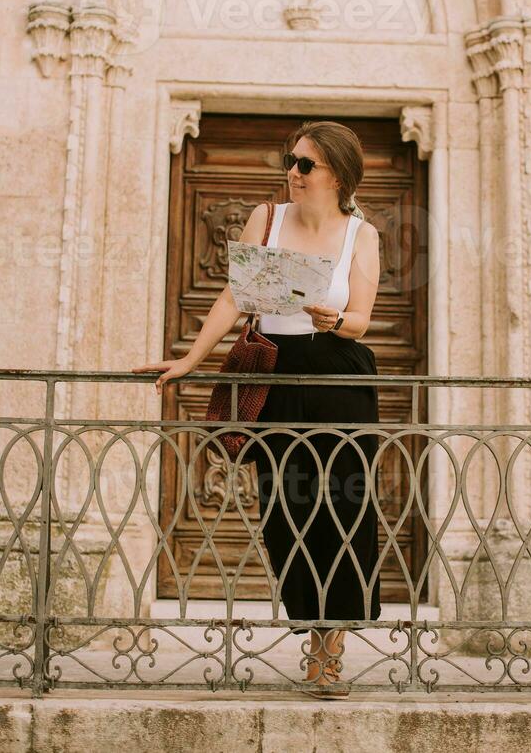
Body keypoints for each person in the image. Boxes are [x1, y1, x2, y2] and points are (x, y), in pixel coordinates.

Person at [132, 119, 382, 696]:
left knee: (344, 507)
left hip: (339, 373)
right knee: (287, 507)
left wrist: (334, 319)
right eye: (290, 161)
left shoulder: (359, 235)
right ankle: (309, 627)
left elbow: (363, 318)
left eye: (304, 165)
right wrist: (191, 358)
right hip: (274, 371)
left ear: (337, 175)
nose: (291, 173)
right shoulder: (266, 219)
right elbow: (235, 296)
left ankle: (331, 652)